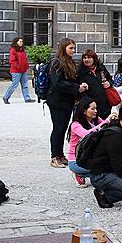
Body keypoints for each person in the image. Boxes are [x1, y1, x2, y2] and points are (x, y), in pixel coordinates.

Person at [46, 38, 88, 168]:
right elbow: (57, 83)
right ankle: (54, 157)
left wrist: (80, 86)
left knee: (63, 128)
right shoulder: (56, 62)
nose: (73, 51)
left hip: (66, 101)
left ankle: (60, 154)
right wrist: (76, 88)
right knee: (58, 129)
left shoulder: (69, 62)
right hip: (57, 102)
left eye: (74, 48)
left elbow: (69, 80)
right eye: (71, 48)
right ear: (64, 48)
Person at [68, 97, 117, 188]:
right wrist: (107, 120)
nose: (95, 111)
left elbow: (105, 128)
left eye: (96, 108)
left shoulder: (95, 119)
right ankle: (79, 173)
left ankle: (87, 174)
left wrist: (114, 121)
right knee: (105, 171)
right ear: (84, 111)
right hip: (76, 161)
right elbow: (87, 134)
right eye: (92, 109)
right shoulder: (75, 125)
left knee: (110, 169)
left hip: (90, 157)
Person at [77, 49, 112, 120]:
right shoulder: (80, 72)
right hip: (90, 108)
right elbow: (77, 88)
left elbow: (110, 79)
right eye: (85, 58)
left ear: (94, 59)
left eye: (89, 57)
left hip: (105, 106)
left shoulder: (101, 68)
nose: (86, 60)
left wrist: (109, 83)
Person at [3, 36, 35, 104]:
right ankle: (6, 97)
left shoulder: (22, 50)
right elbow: (12, 61)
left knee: (25, 85)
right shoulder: (13, 50)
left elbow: (25, 59)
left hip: (23, 70)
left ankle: (27, 98)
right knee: (14, 85)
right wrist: (18, 67)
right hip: (16, 71)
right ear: (16, 42)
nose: (21, 43)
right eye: (20, 42)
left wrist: (26, 66)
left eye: (22, 42)